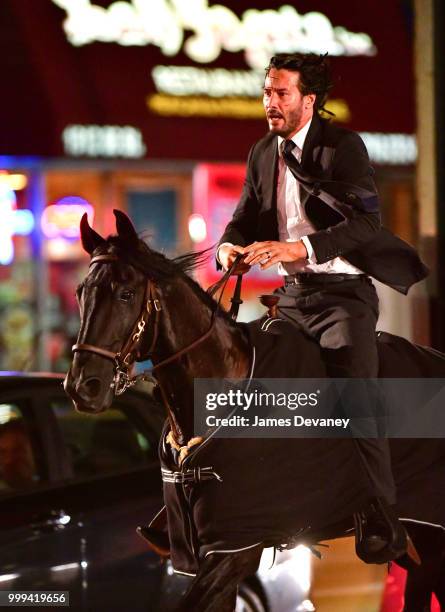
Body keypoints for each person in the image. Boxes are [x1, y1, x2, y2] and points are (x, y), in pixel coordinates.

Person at [217, 52, 428, 564]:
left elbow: (365, 226)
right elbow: (245, 215)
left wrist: (299, 249)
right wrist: (229, 245)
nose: (270, 102)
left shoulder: (343, 146)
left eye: (281, 93)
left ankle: (382, 514)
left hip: (342, 297)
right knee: (246, 389)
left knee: (354, 395)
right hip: (290, 299)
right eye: (267, 92)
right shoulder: (261, 152)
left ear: (308, 100)